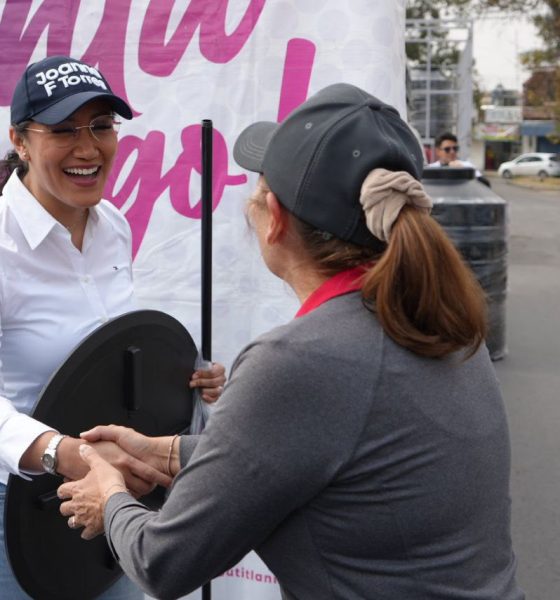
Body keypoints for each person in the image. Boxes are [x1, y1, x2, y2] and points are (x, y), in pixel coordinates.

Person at [59, 83, 524, 600]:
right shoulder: (438, 318)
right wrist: (163, 452)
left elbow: (162, 562)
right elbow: (315, 448)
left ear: (274, 218)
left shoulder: (301, 359)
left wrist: (109, 495)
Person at [0, 55, 225, 599]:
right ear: (20, 142)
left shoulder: (113, 226)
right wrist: (62, 453)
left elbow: (105, 354)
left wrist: (182, 377)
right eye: (63, 131)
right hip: (15, 514)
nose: (88, 148)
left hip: (113, 499)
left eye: (101, 126)